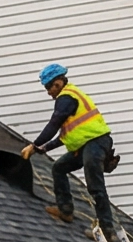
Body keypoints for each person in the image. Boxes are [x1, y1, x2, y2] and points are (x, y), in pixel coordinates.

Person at [20, 62, 115, 233]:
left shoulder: (66, 98)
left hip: (95, 143)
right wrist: (45, 148)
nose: (49, 93)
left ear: (57, 84)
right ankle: (65, 210)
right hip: (87, 143)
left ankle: (107, 228)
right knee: (59, 167)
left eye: (49, 89)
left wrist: (33, 146)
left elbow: (53, 125)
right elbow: (66, 135)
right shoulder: (71, 98)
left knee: (94, 184)